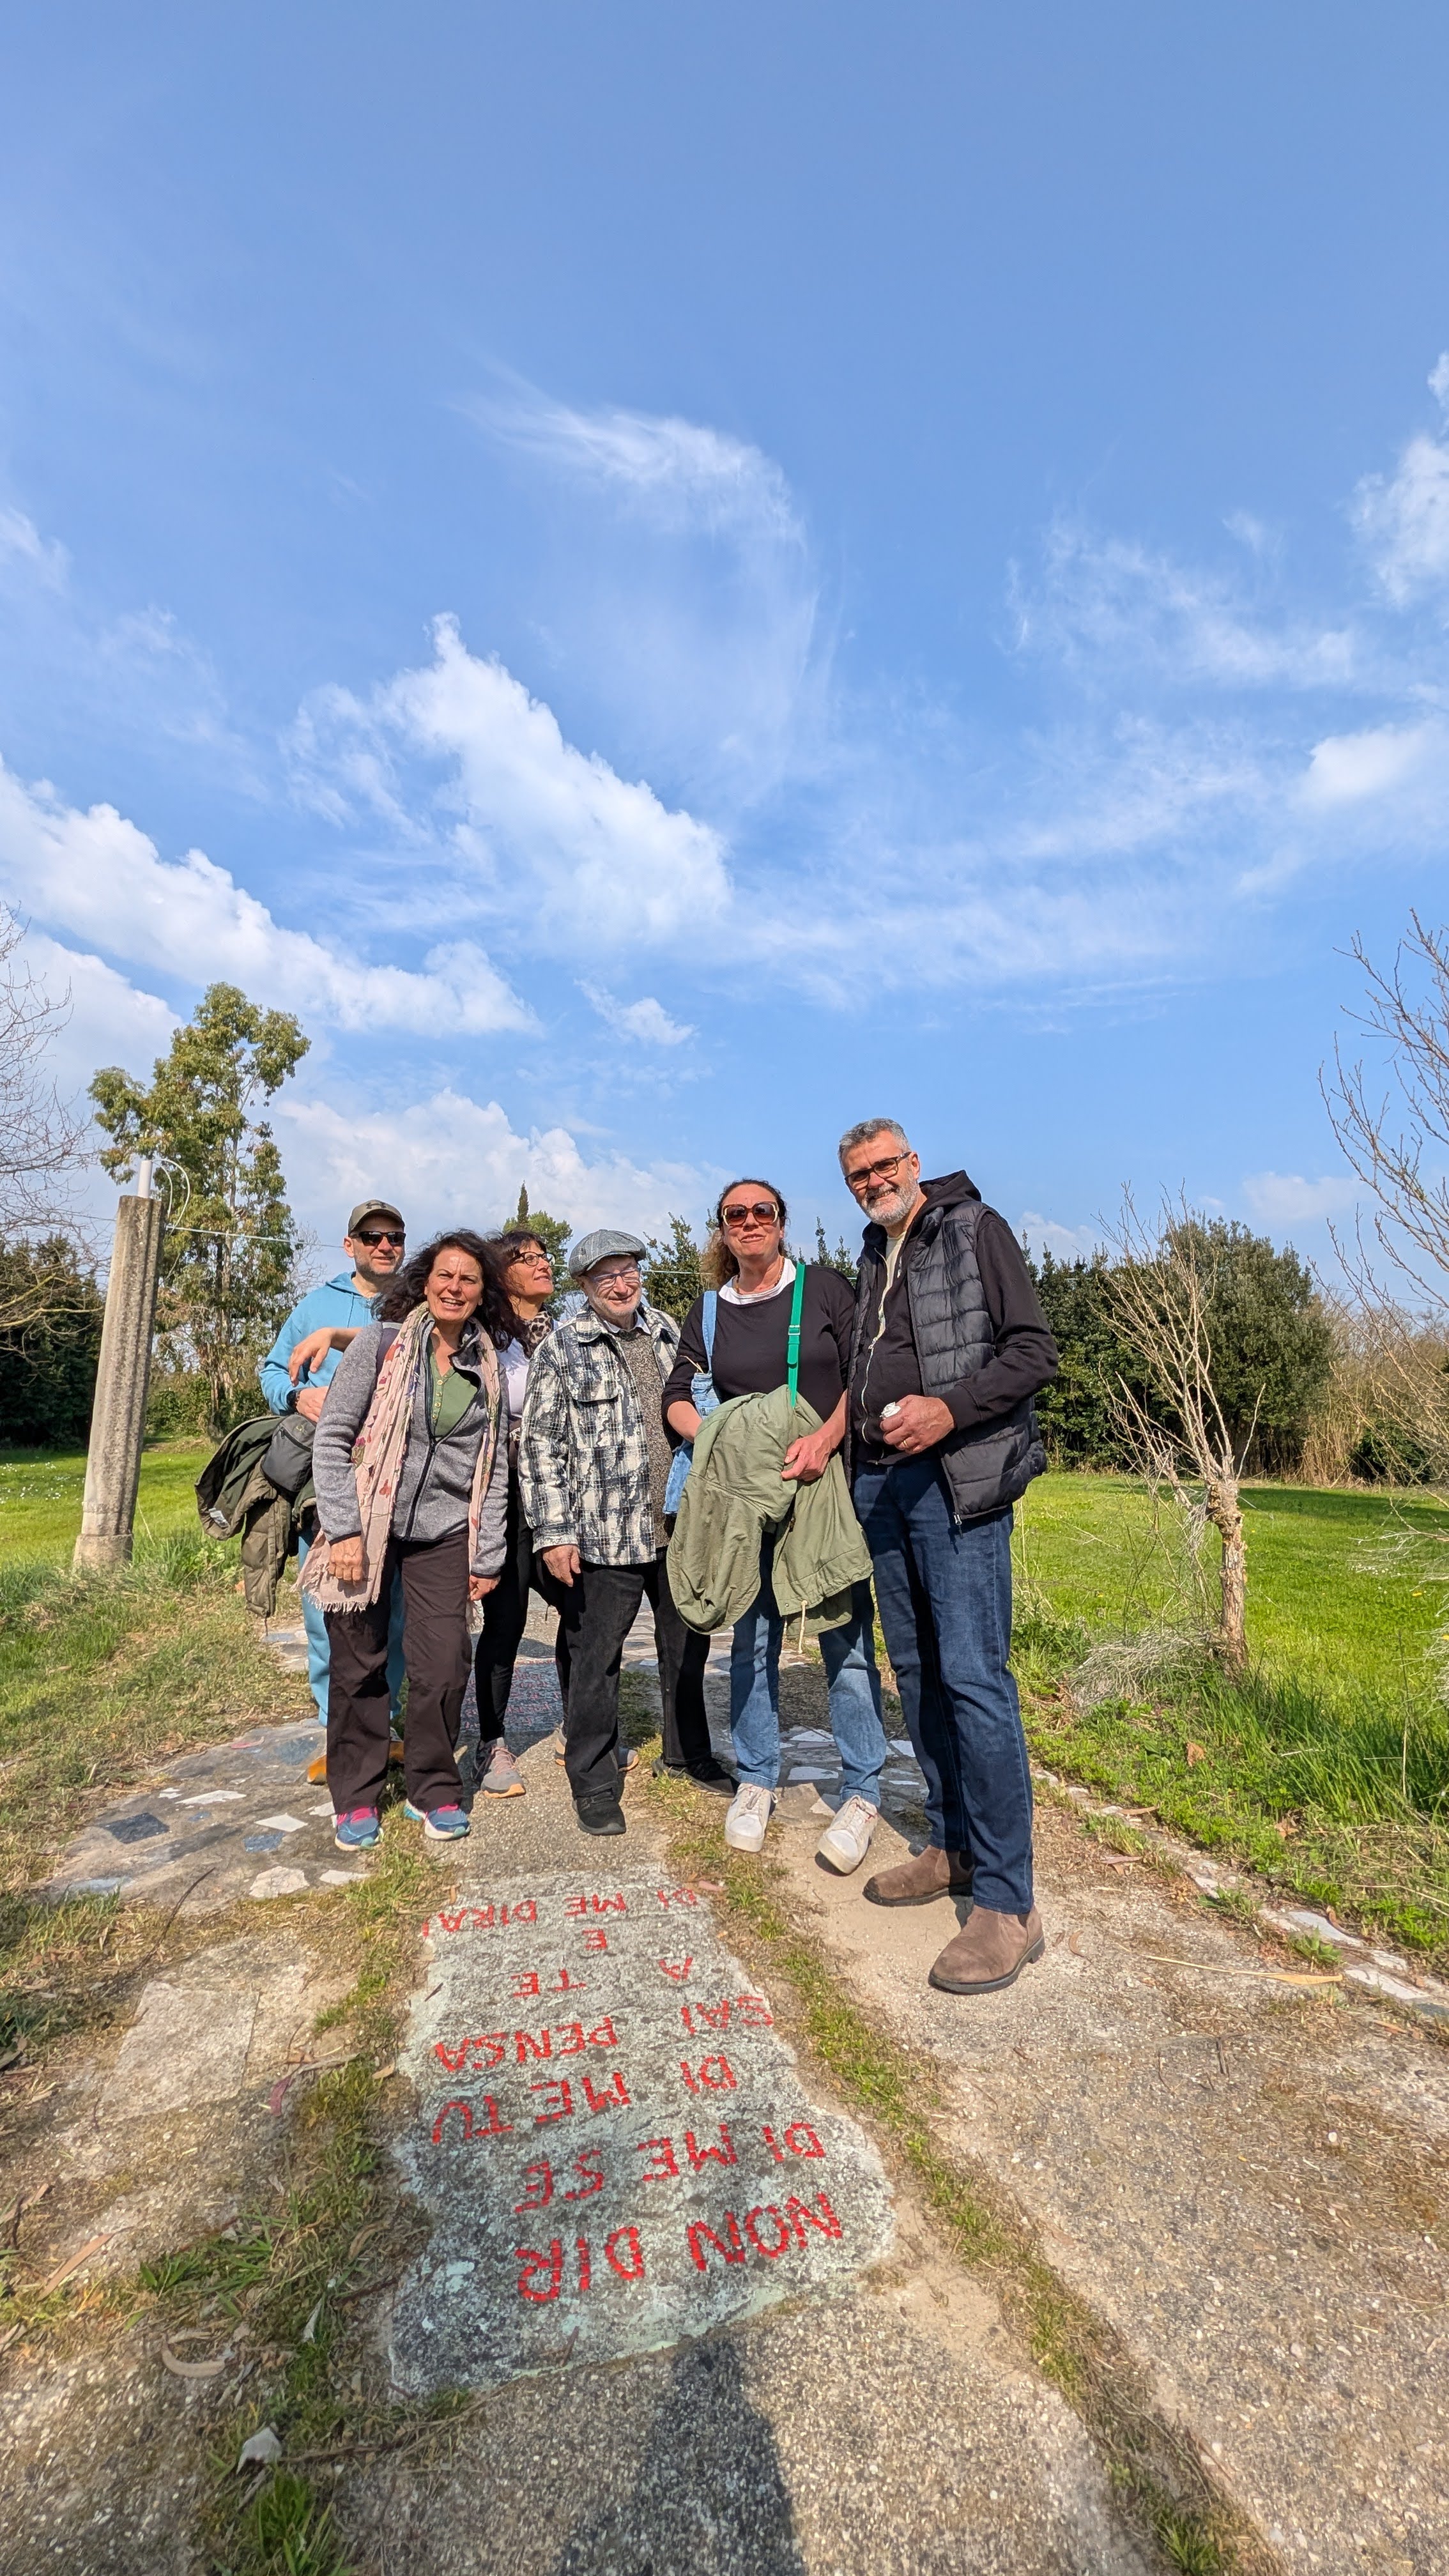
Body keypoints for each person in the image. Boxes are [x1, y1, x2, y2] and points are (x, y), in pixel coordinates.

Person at [838, 1119, 1059, 1996]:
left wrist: (949, 1409)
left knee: (974, 1679)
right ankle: (954, 1846)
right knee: (921, 1676)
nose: (872, 1182)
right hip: (883, 1487)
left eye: (883, 1166)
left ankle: (1009, 1903)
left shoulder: (973, 1228)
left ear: (914, 1164)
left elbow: (1032, 1352)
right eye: (858, 1175)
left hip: (956, 1485)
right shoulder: (872, 1253)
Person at [664, 1181, 887, 1871]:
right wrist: (716, 1441)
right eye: (736, 1214)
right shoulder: (709, 1310)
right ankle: (757, 1778)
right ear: (723, 1230)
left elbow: (863, 1375)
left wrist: (823, 1442)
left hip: (822, 1488)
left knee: (845, 1642)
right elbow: (676, 1395)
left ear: (782, 1223)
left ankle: (863, 1790)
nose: (750, 1222)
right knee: (752, 1640)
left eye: (763, 1211)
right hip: (748, 1499)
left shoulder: (822, 1290)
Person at [304, 1231, 512, 1850]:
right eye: (445, 1275)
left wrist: (489, 1552)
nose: (454, 1287)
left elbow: (495, 1466)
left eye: (468, 1279)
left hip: (444, 1532)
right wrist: (344, 1530)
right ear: (425, 1282)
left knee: (444, 1664)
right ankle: (356, 1796)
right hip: (368, 1524)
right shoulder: (381, 1344)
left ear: (482, 1294)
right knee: (359, 1663)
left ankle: (432, 1787)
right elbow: (332, 1439)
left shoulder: (487, 1365)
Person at [519, 1230, 726, 1837]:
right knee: (596, 1659)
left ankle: (688, 1754)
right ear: (584, 1285)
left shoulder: (668, 1333)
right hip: (603, 1533)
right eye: (605, 1275)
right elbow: (539, 1446)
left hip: (677, 1525)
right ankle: (593, 1778)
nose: (621, 1284)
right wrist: (554, 1533)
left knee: (687, 1646)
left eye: (629, 1270)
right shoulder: (562, 1348)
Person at [259, 1202, 408, 1732]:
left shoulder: (417, 1302)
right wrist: (297, 1396)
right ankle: (335, 1724)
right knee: (329, 1601)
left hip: (397, 1475)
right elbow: (272, 1371)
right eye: (371, 1236)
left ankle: (385, 1719)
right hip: (329, 1472)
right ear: (350, 1246)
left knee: (394, 1606)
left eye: (395, 1236)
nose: (384, 1246)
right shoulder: (316, 1305)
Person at [467, 1227, 569, 1797]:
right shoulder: (483, 1337)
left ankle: (581, 1728)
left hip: (559, 1496)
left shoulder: (564, 1335)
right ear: (501, 1275)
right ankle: (492, 1741)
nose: (540, 1263)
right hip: (503, 1499)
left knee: (581, 1611)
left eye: (543, 1255)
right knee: (505, 1623)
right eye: (524, 1258)